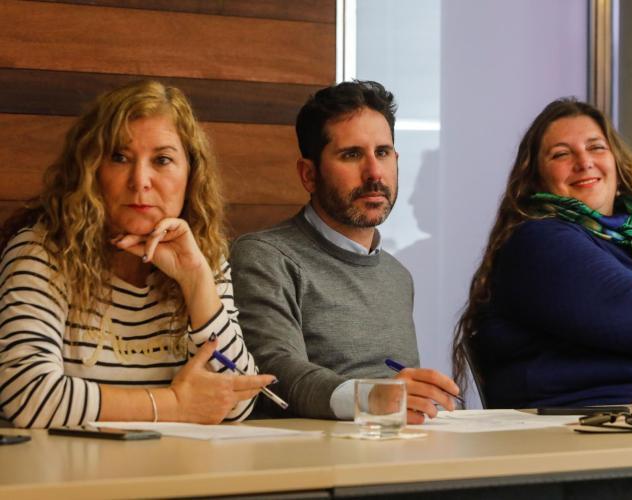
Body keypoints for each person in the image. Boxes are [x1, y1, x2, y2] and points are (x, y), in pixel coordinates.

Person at [0, 80, 274, 428]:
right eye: (120, 157)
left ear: (191, 175)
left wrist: (197, 280)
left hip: (176, 461)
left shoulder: (201, 256)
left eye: (162, 160)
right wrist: (174, 405)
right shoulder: (44, 250)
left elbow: (237, 400)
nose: (140, 180)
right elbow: (27, 396)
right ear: (91, 170)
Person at [453, 97, 632, 408]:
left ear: (618, 165)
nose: (584, 162)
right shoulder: (539, 242)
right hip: (598, 422)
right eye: (561, 154)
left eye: (596, 147)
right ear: (535, 178)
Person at [231, 80, 459, 422]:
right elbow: (275, 372)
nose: (374, 173)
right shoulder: (265, 256)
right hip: (315, 453)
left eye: (383, 153)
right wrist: (371, 398)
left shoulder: (397, 276)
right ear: (309, 175)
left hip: (402, 447)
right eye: (351, 155)